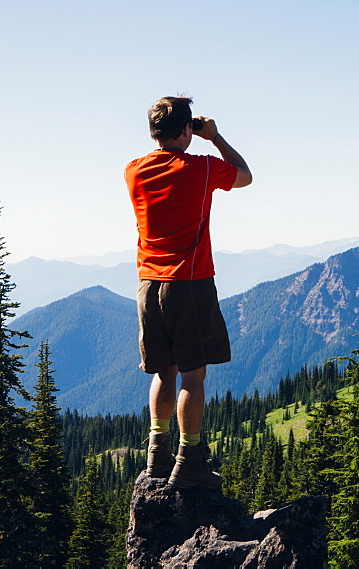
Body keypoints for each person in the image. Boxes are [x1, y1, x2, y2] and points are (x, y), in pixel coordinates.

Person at [125, 95, 252, 489]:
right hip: (189, 283)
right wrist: (213, 137)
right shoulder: (200, 168)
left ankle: (156, 454)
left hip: (148, 284)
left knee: (165, 371)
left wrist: (186, 135)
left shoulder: (133, 170)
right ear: (186, 130)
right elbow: (244, 174)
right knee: (193, 377)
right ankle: (188, 460)